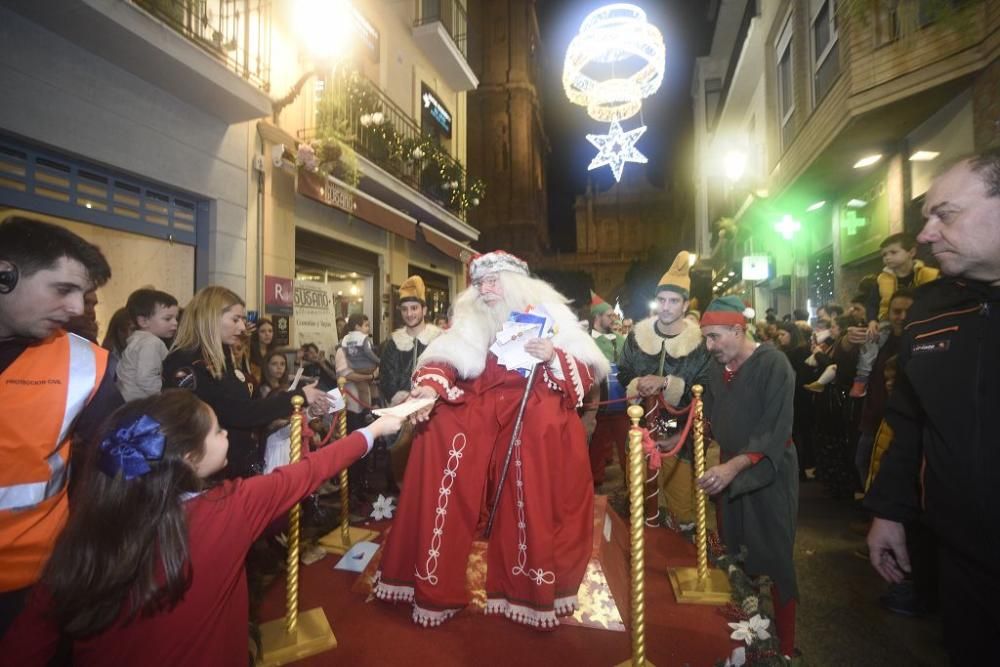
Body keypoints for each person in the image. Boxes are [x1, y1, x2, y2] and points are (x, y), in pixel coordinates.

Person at [0, 390, 403, 665]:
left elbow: (25, 646)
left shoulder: (81, 537)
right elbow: (310, 471)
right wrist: (374, 431)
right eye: (218, 430)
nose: (227, 433)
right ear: (190, 456)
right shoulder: (227, 511)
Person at [374, 250, 609, 629]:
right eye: (480, 282)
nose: (485, 289)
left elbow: (583, 367)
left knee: (539, 426)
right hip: (483, 405)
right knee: (439, 429)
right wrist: (428, 388)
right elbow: (445, 358)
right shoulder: (471, 318)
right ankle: (436, 579)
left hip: (532, 405)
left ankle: (527, 582)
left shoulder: (550, 312)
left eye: (493, 280)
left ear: (515, 282)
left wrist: (552, 355)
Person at [866, 150, 1000, 664]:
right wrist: (890, 512)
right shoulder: (931, 308)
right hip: (962, 561)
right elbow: (910, 422)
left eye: (946, 214)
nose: (924, 235)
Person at [0, 216, 119, 638]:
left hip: (40, 586)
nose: (77, 308)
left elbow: (121, 452)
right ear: (4, 275)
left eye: (82, 295)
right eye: (63, 289)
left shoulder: (88, 364)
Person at [698, 296, 799, 658]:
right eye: (706, 338)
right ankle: (748, 639)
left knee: (775, 556)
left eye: (714, 337)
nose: (709, 346)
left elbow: (773, 428)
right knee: (736, 553)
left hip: (768, 470)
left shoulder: (775, 365)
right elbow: (708, 419)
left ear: (738, 331)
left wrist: (731, 467)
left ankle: (785, 649)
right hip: (731, 474)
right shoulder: (716, 369)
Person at [163, 286, 330, 479]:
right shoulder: (184, 362)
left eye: (242, 320)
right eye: (235, 319)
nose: (242, 327)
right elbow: (237, 412)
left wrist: (305, 411)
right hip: (206, 475)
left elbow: (253, 408)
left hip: (237, 466)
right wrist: (296, 397)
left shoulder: (223, 358)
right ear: (210, 318)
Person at [617, 251, 712, 528]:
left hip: (679, 439)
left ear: (685, 305)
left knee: (683, 511)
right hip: (639, 434)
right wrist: (639, 383)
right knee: (639, 506)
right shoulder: (636, 336)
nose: (666, 307)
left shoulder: (699, 344)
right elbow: (623, 372)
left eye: (673, 301)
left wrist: (667, 383)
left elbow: (705, 388)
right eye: (662, 300)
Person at [850, 234, 939, 398]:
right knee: (871, 341)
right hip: (887, 322)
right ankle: (862, 378)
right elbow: (872, 303)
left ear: (911, 252)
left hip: (923, 323)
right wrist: (871, 322)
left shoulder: (930, 274)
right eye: (884, 254)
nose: (887, 257)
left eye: (893, 252)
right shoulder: (882, 279)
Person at [582, 290, 628, 487]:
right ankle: (593, 487)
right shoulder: (585, 341)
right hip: (598, 405)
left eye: (613, 314)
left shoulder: (620, 339)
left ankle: (633, 487)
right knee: (595, 448)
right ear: (597, 317)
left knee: (628, 448)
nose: (613, 318)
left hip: (622, 404)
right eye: (608, 315)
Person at [378, 276, 443, 407]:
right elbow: (386, 379)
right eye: (404, 309)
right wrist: (400, 399)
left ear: (424, 310)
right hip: (400, 411)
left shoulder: (438, 340)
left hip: (433, 410)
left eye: (414, 308)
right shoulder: (393, 343)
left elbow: (444, 376)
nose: (409, 314)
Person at [116, 288, 179, 401]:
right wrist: (166, 397)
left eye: (176, 318)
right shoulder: (151, 343)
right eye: (168, 318)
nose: (175, 323)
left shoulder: (137, 340)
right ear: (143, 321)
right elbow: (146, 378)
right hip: (140, 404)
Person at [248, 317, 275, 383]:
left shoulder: (275, 352)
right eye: (263, 331)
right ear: (257, 333)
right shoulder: (249, 351)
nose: (267, 334)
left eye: (270, 331)